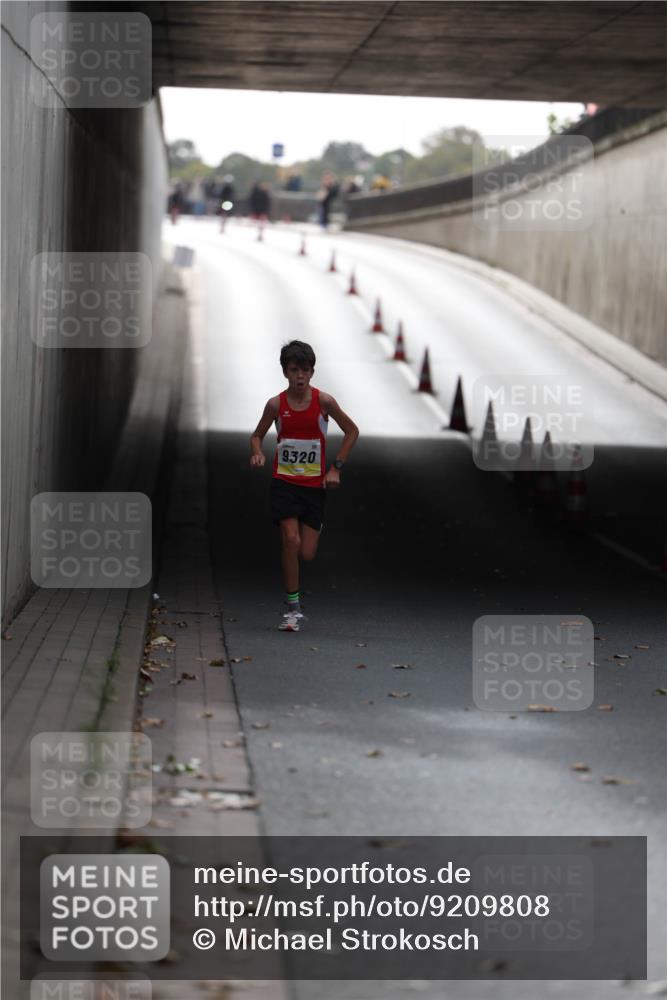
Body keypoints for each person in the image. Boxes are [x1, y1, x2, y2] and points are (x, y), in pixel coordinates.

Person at [249, 340, 359, 632]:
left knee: (306, 552)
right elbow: (256, 435)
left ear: (312, 372)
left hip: (313, 487)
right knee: (291, 540)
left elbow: (352, 431)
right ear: (285, 372)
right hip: (284, 483)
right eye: (294, 370)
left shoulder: (324, 402)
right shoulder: (276, 405)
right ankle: (293, 609)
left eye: (305, 370)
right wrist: (258, 452)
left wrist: (336, 467)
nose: (300, 376)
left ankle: (295, 594)